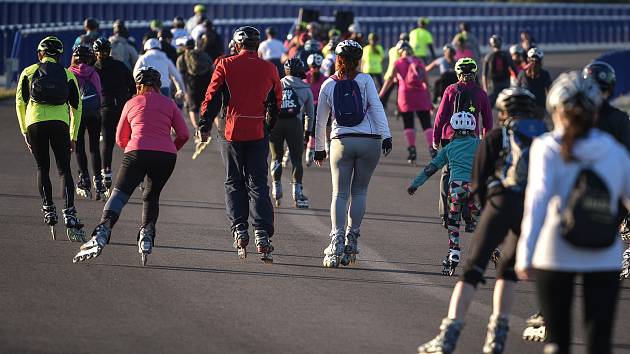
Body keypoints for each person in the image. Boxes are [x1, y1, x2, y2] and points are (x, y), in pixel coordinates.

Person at [416, 88, 547, 354]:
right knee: (509, 273)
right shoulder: (545, 139)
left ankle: (448, 335)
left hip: (499, 205)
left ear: (503, 113)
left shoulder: (496, 137)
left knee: (472, 272)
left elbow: (477, 182)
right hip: (531, 208)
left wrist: (483, 210)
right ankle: (498, 336)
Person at [516, 71, 629, 354]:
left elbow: (538, 202)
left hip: (554, 251)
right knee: (599, 342)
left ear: (556, 110)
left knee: (558, 341)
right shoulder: (615, 152)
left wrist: (525, 254)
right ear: (595, 113)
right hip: (605, 253)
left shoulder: (546, 148)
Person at [73, 67, 190, 265]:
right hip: (166, 156)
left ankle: (103, 231)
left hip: (136, 151)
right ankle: (147, 234)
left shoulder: (131, 102)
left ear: (138, 86)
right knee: (152, 196)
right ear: (158, 86)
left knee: (119, 194)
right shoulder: (169, 103)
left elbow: (120, 138)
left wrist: (134, 150)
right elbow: (184, 134)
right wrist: (169, 148)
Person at [198, 26, 282, 263]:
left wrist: (204, 124)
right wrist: (269, 126)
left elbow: (212, 96)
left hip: (231, 130)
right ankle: (262, 232)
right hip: (257, 130)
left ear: (236, 45)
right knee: (258, 182)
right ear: (257, 45)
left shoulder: (225, 64)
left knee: (234, 181)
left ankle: (240, 228)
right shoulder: (269, 68)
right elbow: (276, 101)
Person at [313, 40, 392, 268]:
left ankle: (335, 241)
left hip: (342, 141)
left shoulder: (328, 84)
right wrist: (386, 136)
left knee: (339, 194)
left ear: (337, 59)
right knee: (359, 192)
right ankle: (352, 239)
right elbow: (377, 107)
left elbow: (321, 121)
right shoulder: (366, 80)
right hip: (370, 141)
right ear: (359, 60)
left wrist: (319, 148)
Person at [15, 36, 86, 242]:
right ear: (60, 56)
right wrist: (73, 135)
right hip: (60, 124)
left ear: (40, 54)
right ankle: (70, 214)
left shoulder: (28, 72)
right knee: (64, 170)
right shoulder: (67, 75)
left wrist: (25, 132)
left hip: (35, 123)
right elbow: (77, 107)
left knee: (42, 168)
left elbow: (20, 103)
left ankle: (48, 209)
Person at [408, 112, 481, 277]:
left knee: (453, 222)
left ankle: (454, 252)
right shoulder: (479, 144)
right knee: (480, 221)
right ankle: (492, 248)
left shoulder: (449, 148)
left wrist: (415, 184)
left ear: (453, 129)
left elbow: (431, 168)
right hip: (474, 188)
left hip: (456, 189)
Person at [433, 57, 493, 229]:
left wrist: (435, 139)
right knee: (469, 176)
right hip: (471, 140)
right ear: (474, 73)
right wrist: (484, 141)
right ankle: (468, 217)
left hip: (449, 138)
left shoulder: (451, 90)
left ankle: (446, 215)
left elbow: (440, 117)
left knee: (447, 174)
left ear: (458, 73)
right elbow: (488, 121)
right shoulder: (481, 94)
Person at [269, 58, 314, 208]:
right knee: (296, 158)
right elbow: (310, 114)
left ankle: (276, 187)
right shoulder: (305, 88)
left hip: (276, 123)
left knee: (276, 156)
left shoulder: (277, 83)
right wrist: (307, 132)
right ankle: (297, 192)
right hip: (295, 124)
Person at [93, 37, 135, 196]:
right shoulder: (120, 66)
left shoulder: (93, 69)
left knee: (107, 141)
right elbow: (132, 85)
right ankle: (134, 172)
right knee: (130, 139)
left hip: (103, 108)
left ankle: (106, 174)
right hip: (122, 108)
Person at [379, 42, 433, 164]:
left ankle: (412, 151)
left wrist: (380, 95)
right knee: (426, 123)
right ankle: (432, 149)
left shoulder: (397, 63)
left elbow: (389, 81)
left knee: (408, 123)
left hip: (405, 96)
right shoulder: (419, 61)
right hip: (421, 95)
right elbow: (426, 81)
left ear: (399, 51)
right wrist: (429, 100)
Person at [68, 45, 106, 201]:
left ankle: (84, 179)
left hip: (77, 113)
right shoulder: (94, 73)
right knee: (94, 147)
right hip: (94, 113)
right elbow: (99, 93)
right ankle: (98, 180)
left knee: (79, 147)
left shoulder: (69, 72)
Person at [177, 38, 213, 130]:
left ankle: (198, 129)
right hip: (206, 82)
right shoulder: (204, 55)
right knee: (209, 106)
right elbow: (212, 69)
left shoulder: (182, 58)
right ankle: (212, 128)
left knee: (193, 108)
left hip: (191, 84)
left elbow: (180, 74)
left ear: (185, 47)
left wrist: (183, 89)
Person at [304, 53, 327, 166]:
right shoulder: (325, 79)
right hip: (318, 109)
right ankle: (310, 151)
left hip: (306, 108)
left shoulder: (304, 77)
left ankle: (288, 154)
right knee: (314, 130)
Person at [482, 35, 517, 108]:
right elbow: (514, 69)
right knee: (506, 103)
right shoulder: (506, 55)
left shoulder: (489, 56)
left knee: (490, 105)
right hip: (503, 82)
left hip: (494, 84)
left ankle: (488, 118)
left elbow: (484, 74)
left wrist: (485, 87)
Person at [517, 48, 552, 119]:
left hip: (535, 107)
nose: (535, 63)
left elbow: (550, 90)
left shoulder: (544, 74)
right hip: (526, 107)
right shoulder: (522, 74)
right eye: (533, 61)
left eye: (536, 61)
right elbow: (517, 90)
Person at [381, 33, 409, 109]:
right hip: (397, 75)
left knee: (386, 92)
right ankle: (398, 108)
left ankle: (382, 105)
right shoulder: (402, 51)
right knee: (398, 93)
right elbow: (398, 63)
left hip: (390, 74)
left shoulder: (392, 50)